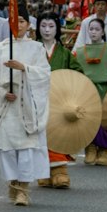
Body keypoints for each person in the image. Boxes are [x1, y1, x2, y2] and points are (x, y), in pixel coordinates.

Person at [0, 3, 51, 207]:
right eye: (14, 20)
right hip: (6, 106)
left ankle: (23, 190)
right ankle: (14, 183)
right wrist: (3, 92)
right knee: (8, 149)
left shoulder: (37, 48)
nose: (18, 24)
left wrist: (24, 68)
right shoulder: (0, 49)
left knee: (26, 149)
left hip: (27, 105)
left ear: (29, 24)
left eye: (21, 20)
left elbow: (45, 75)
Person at [35, 11, 78, 189]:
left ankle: (60, 171)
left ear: (58, 29)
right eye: (43, 26)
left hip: (59, 101)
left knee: (59, 134)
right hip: (36, 100)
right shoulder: (32, 49)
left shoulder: (65, 54)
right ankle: (42, 171)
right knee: (39, 136)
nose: (47, 30)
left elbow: (78, 74)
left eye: (51, 26)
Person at [72, 17, 107, 166]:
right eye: (91, 29)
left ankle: (105, 150)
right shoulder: (80, 52)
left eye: (97, 29)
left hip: (105, 91)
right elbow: (74, 72)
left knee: (106, 120)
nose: (93, 32)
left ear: (102, 32)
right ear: (87, 31)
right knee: (87, 120)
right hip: (86, 92)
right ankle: (90, 148)